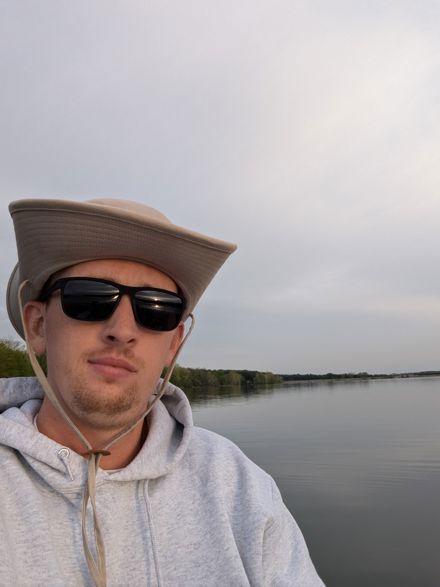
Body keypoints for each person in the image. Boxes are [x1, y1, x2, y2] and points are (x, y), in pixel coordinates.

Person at [0, 198, 324, 587]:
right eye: (89, 299)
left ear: (173, 344)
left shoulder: (240, 488)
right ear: (37, 326)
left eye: (156, 309)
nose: (123, 330)